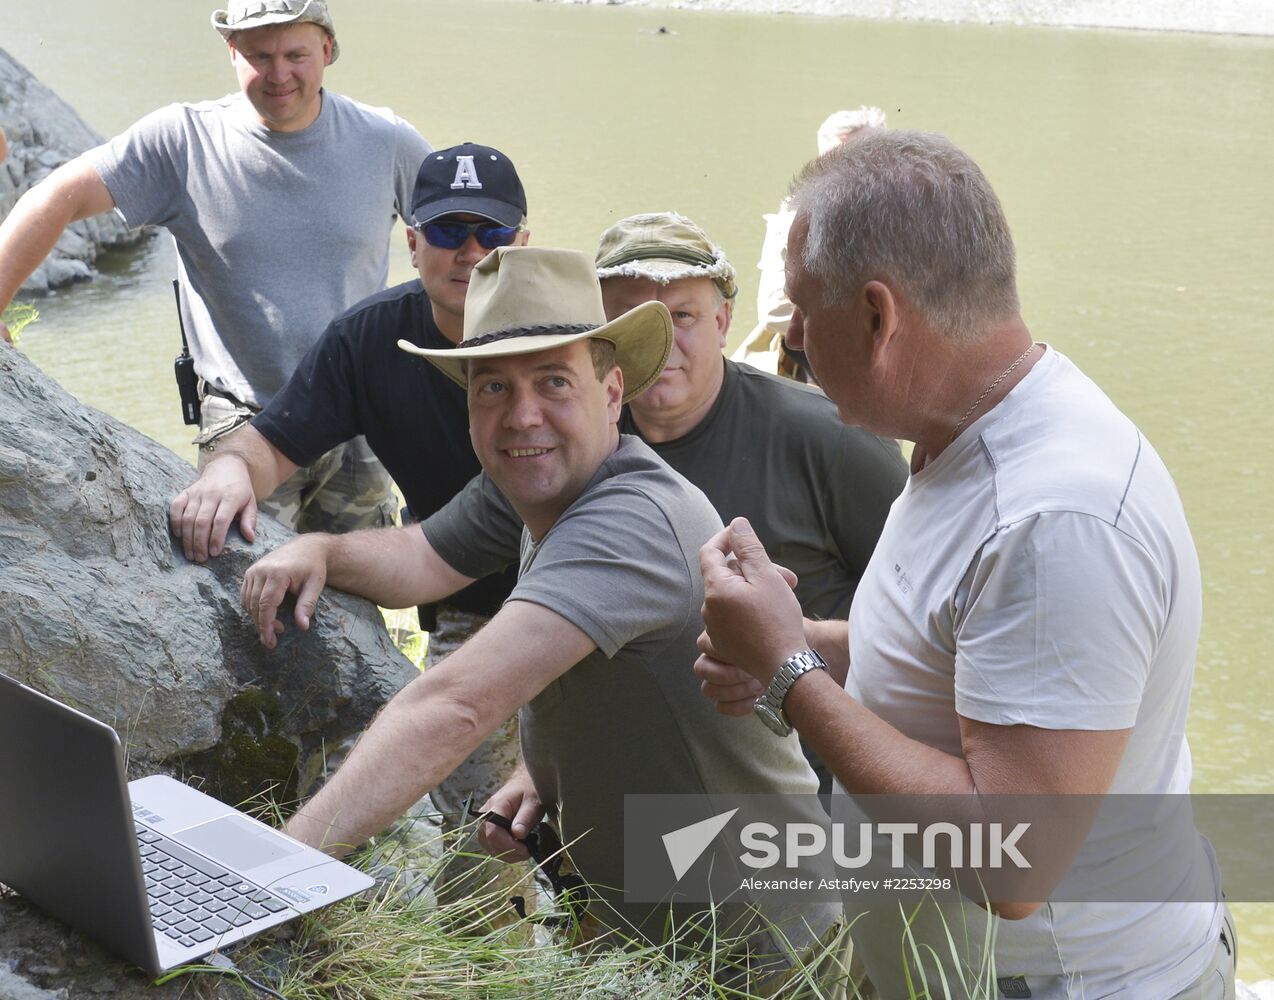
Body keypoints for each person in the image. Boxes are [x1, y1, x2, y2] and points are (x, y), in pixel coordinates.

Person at [695, 129, 1233, 998]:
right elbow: (953, 660)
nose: (788, 334)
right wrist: (803, 642)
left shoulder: (1056, 520)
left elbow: (1013, 861)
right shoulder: (967, 429)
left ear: (878, 316)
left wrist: (790, 676)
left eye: (800, 305)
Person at [239, 247, 844, 990]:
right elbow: (430, 556)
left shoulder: (629, 520)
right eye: (493, 386)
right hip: (657, 930)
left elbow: (456, 704)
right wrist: (546, 769)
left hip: (756, 953)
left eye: (554, 381)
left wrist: (270, 871)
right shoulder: (548, 491)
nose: (522, 414)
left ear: (612, 391)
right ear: (468, 409)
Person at [170, 141, 530, 905]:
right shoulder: (370, 338)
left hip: (588, 590)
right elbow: (270, 442)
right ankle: (490, 964)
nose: (471, 253)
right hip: (463, 598)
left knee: (614, 827)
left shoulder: (573, 334)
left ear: (522, 243)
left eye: (492, 235)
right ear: (411, 242)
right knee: (484, 829)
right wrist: (230, 470)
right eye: (447, 232)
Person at [467, 210, 908, 792]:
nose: (665, 341)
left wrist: (787, 656)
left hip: (820, 796)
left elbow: (932, 638)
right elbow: (431, 558)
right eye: (632, 318)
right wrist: (539, 768)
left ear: (724, 320)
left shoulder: (836, 439)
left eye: (683, 316)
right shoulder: (553, 450)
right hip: (650, 808)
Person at [0, 0, 430, 531]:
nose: (279, 74)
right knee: (248, 593)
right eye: (259, 55)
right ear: (232, 53)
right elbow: (56, 196)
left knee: (364, 593)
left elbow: (463, 240)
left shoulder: (387, 142)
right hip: (245, 424)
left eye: (296, 54)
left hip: (357, 419)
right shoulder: (183, 141)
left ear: (328, 50)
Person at [731, 107, 886, 380]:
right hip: (821, 368)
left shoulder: (908, 210)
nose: (854, 169)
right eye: (839, 160)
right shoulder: (795, 218)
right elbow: (774, 310)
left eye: (867, 155)